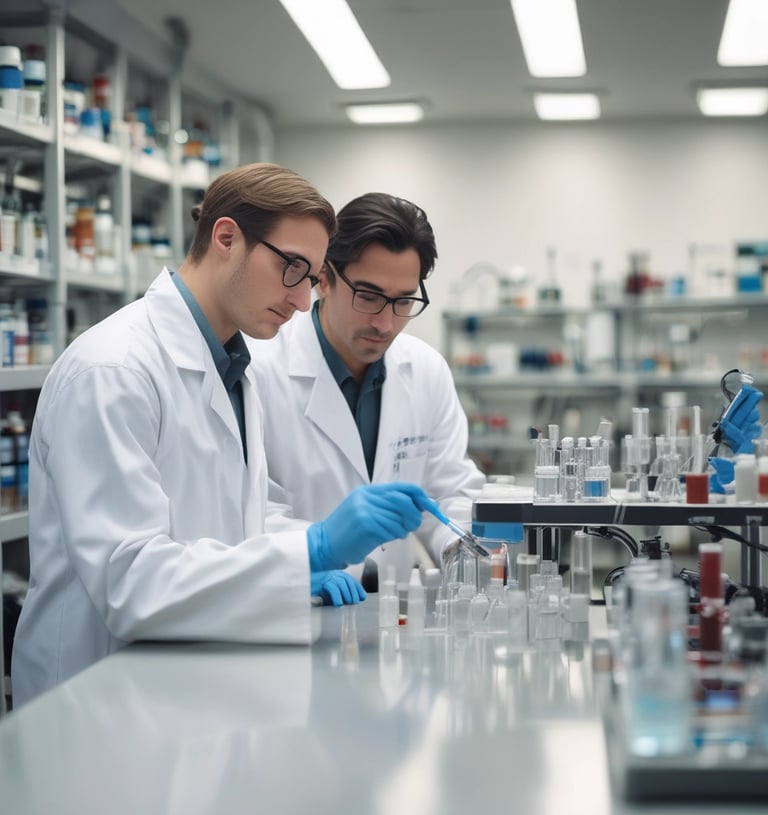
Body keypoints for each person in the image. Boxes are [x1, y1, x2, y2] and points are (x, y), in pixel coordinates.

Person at [11, 165, 437, 707]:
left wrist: (293, 571)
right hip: (94, 697)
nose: (304, 300)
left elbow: (228, 527)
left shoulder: (235, 367)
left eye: (311, 278)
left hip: (188, 689)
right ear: (227, 237)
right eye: (293, 269)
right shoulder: (113, 370)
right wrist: (310, 550)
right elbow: (131, 583)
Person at [251, 192, 485, 587]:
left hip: (390, 615)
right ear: (324, 278)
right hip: (296, 601)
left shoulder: (425, 370)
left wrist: (459, 550)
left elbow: (449, 493)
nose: (385, 323)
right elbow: (249, 509)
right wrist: (315, 552)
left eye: (403, 301)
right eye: (369, 297)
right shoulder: (260, 369)